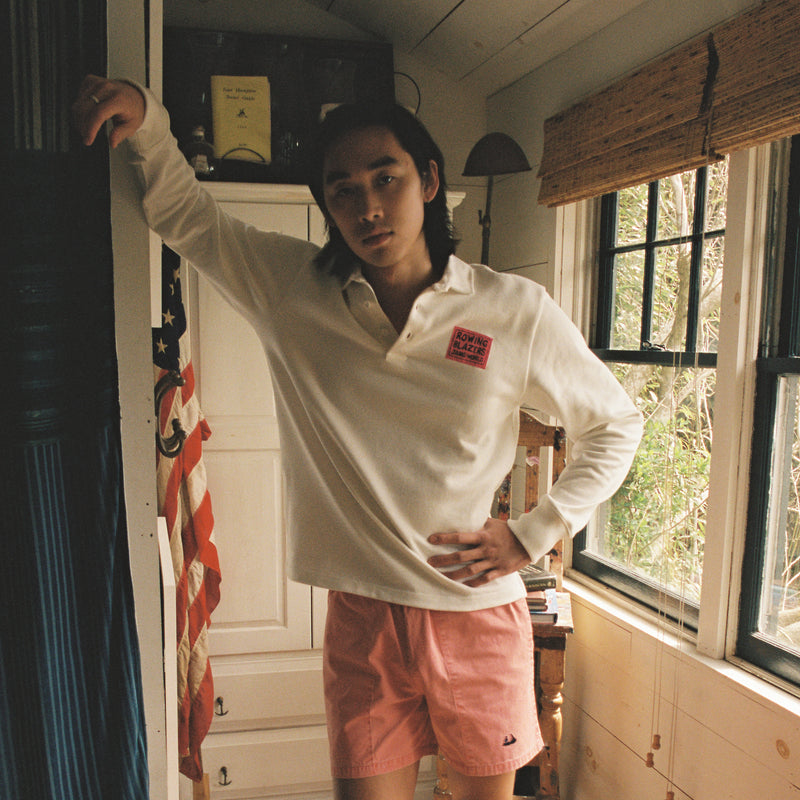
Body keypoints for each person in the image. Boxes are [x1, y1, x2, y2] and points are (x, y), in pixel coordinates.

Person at [73, 75, 642, 800]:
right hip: (362, 618)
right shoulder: (294, 289)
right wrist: (148, 120)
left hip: (474, 615)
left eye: (385, 178)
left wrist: (533, 534)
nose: (367, 206)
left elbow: (615, 424)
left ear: (428, 181)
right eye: (342, 190)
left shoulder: (511, 309)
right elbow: (191, 218)